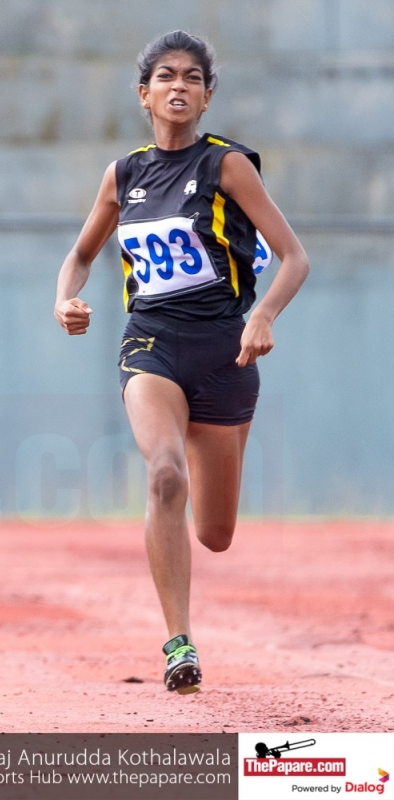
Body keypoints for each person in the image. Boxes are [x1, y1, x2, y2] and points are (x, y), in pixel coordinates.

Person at [53, 30, 308, 694]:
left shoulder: (228, 166)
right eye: (166, 76)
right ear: (144, 94)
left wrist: (263, 315)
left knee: (216, 533)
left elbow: (294, 257)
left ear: (207, 96)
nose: (179, 87)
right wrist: (65, 298)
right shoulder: (124, 174)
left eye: (193, 78)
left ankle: (197, 512)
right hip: (152, 343)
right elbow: (80, 254)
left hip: (225, 349)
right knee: (165, 475)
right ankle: (179, 643)